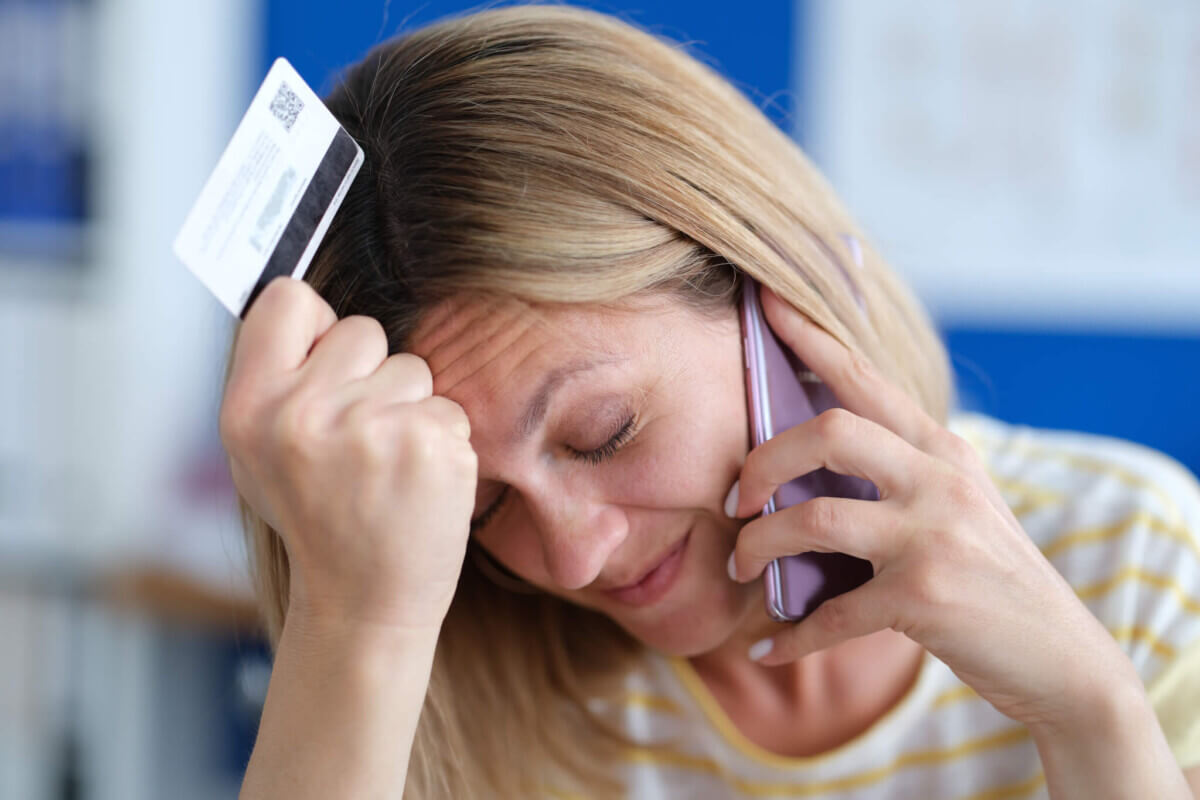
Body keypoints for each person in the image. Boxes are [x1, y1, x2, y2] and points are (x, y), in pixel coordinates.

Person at [220, 4, 1200, 798]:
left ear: (776, 292)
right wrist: (356, 632)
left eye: (603, 434)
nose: (571, 554)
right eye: (484, 504)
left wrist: (1092, 711)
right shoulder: (443, 675)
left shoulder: (1133, 557)